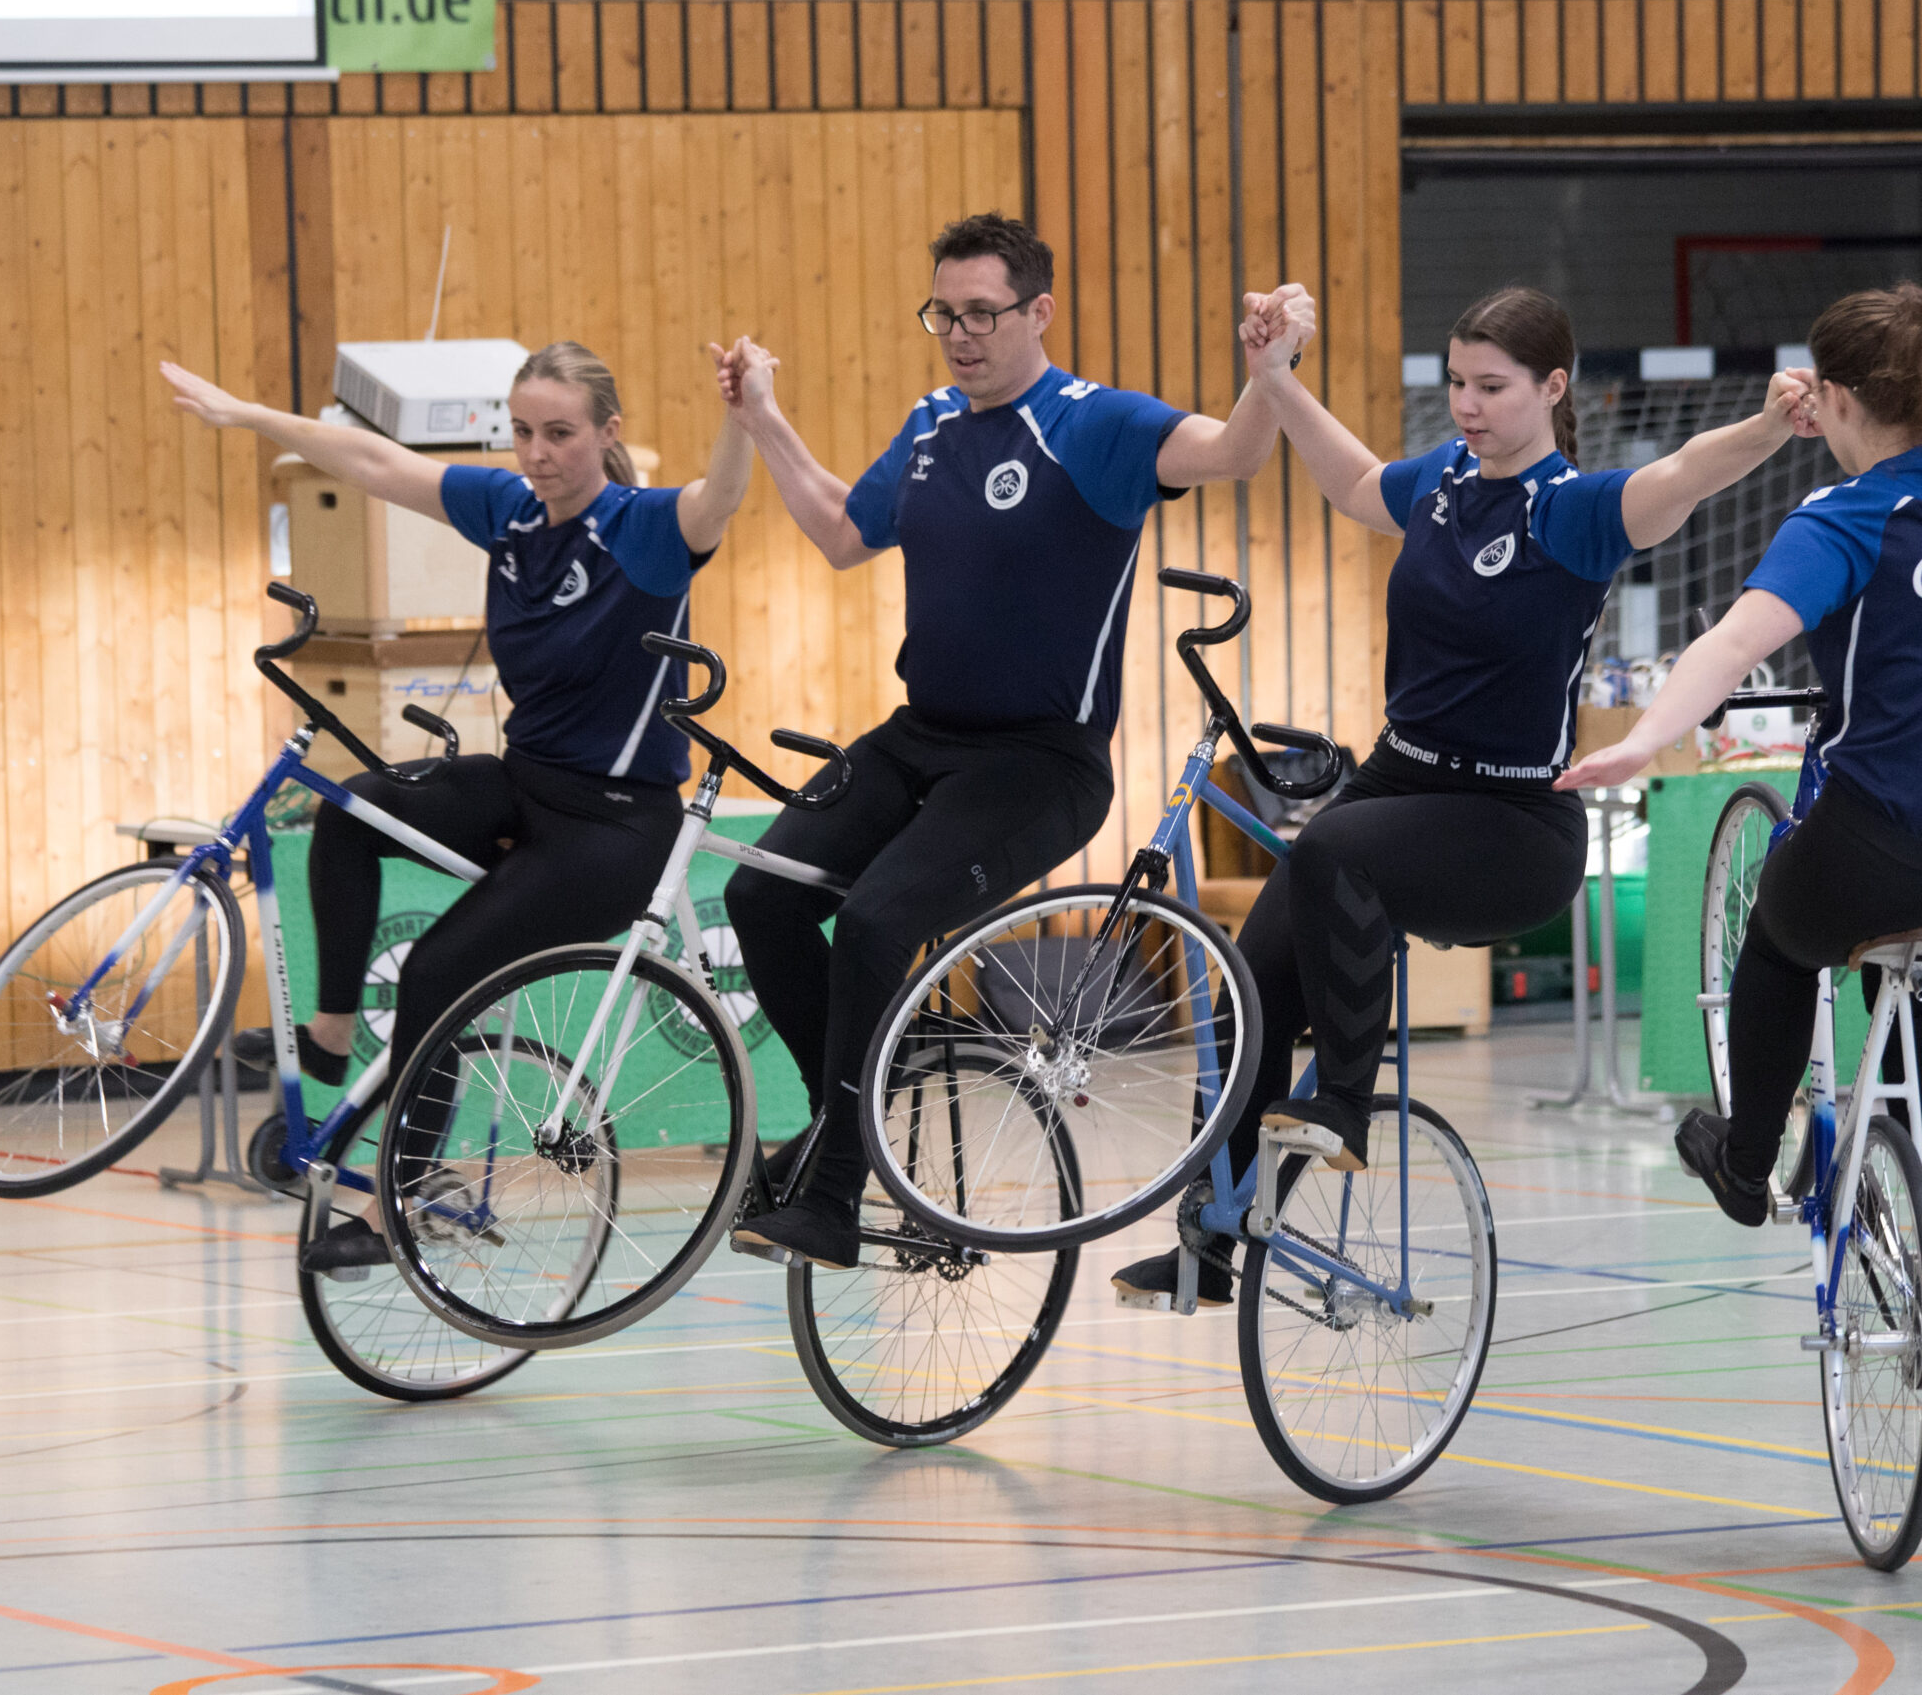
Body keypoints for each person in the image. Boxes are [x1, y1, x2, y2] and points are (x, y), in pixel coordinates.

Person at [1119, 282, 1816, 1308]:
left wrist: (1766, 427)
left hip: (1513, 823)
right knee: (1249, 987)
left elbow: (1677, 477)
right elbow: (1358, 484)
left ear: (1553, 388)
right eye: (1456, 383)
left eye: (1492, 386)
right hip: (1401, 781)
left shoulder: (1571, 512)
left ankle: (1343, 1104)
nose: (1467, 405)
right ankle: (1210, 1239)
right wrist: (1274, 380)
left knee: (1332, 850)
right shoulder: (1445, 480)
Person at [722, 211, 1306, 1270]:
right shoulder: (932, 425)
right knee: (761, 892)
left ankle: (834, 1194)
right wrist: (763, 418)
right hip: (918, 738)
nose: (960, 335)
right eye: (943, 314)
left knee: (875, 919)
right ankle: (847, 1109)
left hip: (1041, 764)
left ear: (1039, 312)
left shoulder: (1094, 424)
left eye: (982, 314)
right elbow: (843, 533)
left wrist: (1269, 371)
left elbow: (1234, 452)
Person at [160, 339, 759, 1269]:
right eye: (522, 432)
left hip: (614, 825)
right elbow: (375, 461)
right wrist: (248, 415)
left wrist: (743, 412)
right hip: (526, 783)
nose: (537, 454)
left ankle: (400, 1204)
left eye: (559, 434)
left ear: (607, 432)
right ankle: (329, 1033)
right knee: (351, 811)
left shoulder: (641, 529)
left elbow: (718, 497)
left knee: (438, 969)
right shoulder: (510, 512)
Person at [1560, 283, 1922, 1309]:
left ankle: (1745, 1164)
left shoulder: (1839, 518)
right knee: (1917, 987)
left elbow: (1732, 644)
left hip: (1875, 859)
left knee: (1783, 943)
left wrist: (1645, 742)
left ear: (1830, 398)